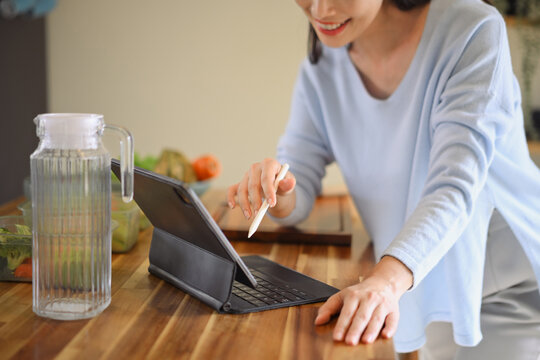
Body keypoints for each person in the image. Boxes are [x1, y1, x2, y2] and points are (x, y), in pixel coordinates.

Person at [227, 0, 540, 358]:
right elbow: (300, 178)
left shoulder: (473, 30)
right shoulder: (321, 69)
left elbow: (453, 186)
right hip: (420, 283)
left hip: (506, 286)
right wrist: (276, 189)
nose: (320, 9)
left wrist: (384, 282)